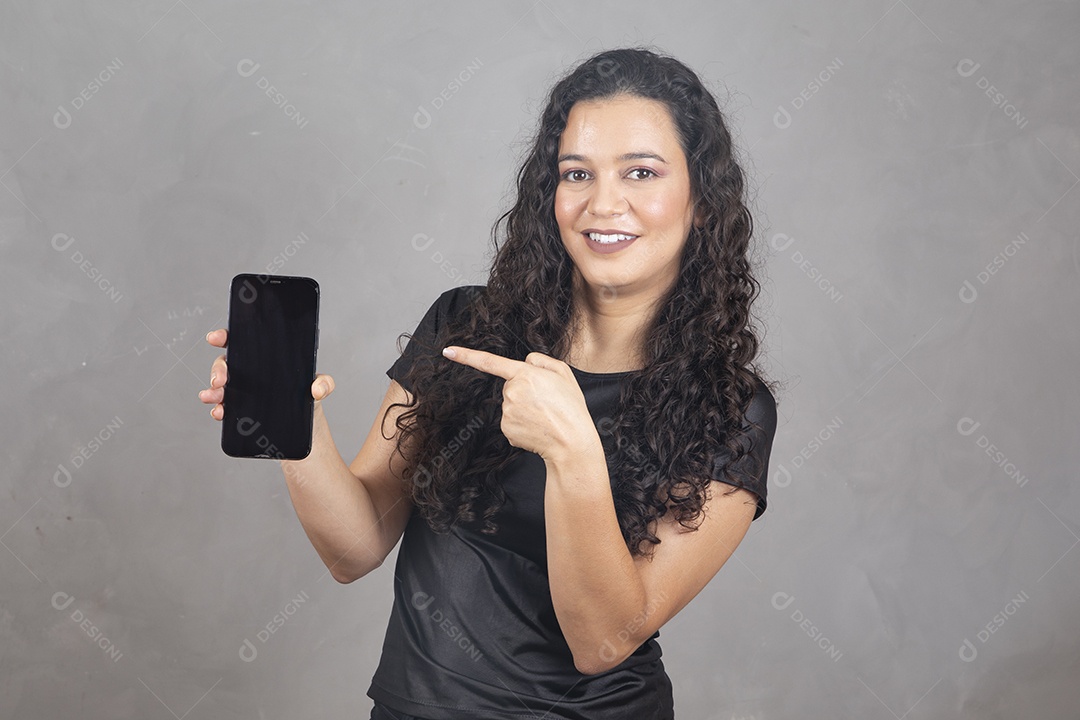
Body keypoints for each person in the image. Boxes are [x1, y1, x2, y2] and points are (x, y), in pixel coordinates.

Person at [199, 47, 778, 720]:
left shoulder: (733, 411)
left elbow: (606, 641)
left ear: (702, 203)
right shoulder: (465, 327)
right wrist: (295, 424)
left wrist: (572, 453)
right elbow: (354, 549)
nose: (602, 203)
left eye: (641, 172)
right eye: (576, 173)